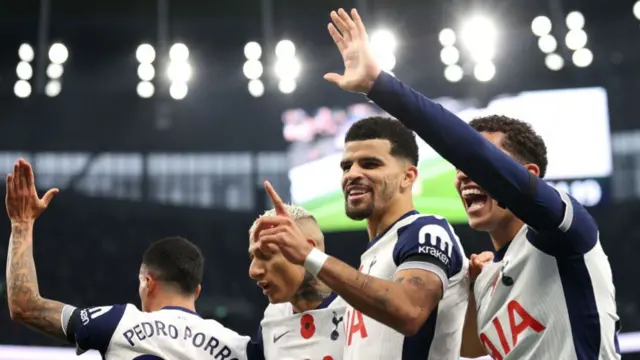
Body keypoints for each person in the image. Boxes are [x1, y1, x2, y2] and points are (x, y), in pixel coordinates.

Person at [321, 8, 620, 359]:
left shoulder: (565, 233)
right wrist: (476, 292)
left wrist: (380, 85)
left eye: (473, 166)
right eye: (459, 169)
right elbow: (468, 350)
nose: (462, 175)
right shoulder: (488, 276)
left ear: (529, 175)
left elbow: (472, 152)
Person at [256, 115, 469, 358]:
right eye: (347, 166)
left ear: (408, 177)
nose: (352, 174)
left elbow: (410, 310)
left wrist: (308, 255)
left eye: (370, 164)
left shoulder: (425, 231)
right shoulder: (371, 258)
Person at [5, 159, 259, 359]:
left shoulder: (118, 323)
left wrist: (21, 224)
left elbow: (25, 306)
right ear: (198, 290)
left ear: (148, 282)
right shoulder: (237, 347)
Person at [248, 204, 346, 360]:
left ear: (307, 249)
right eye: (252, 258)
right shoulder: (272, 318)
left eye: (266, 254)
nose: (253, 271)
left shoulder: (359, 310)